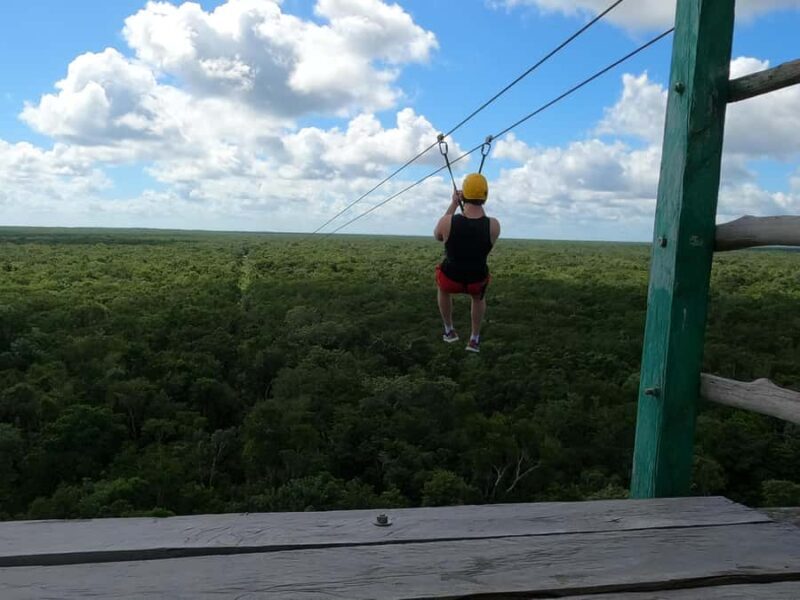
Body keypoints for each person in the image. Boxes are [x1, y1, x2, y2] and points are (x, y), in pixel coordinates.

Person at [433, 173, 501, 353]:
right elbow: (483, 228)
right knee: (479, 297)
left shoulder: (447, 222)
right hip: (476, 280)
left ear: (464, 195)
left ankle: (449, 329)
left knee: (442, 287)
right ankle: (474, 338)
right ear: (485, 196)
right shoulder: (494, 225)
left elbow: (438, 236)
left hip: (450, 278)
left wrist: (455, 204)